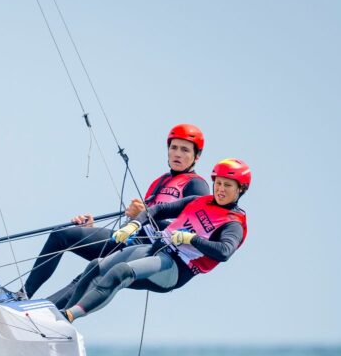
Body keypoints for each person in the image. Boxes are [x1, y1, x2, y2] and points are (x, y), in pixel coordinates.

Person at [23, 124, 210, 302]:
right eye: (174, 147)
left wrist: (146, 214)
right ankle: (24, 296)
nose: (177, 153)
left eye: (185, 150)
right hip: (133, 240)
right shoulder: (159, 182)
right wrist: (91, 229)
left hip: (157, 255)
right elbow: (143, 221)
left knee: (93, 274)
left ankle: (42, 314)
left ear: (197, 156)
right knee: (61, 235)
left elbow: (193, 234)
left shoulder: (197, 185)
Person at [55, 158, 250, 322]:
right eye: (218, 183)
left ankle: (70, 316)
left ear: (240, 189)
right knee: (96, 266)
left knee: (121, 272)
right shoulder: (199, 201)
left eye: (228, 185)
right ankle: (60, 320)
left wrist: (191, 239)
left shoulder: (233, 223)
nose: (221, 189)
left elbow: (224, 251)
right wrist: (134, 225)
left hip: (175, 267)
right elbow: (157, 210)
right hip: (155, 249)